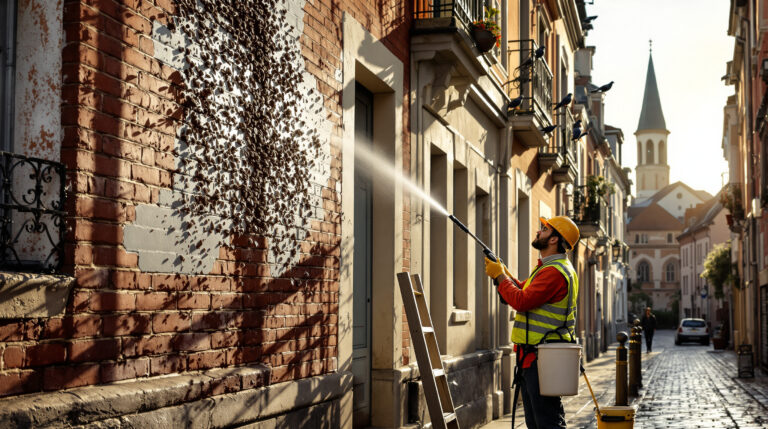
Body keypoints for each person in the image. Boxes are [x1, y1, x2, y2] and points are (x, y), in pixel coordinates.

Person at [484, 216, 580, 429]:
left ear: (555, 239)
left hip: (541, 357)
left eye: (544, 229)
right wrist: (505, 274)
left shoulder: (554, 272)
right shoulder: (549, 268)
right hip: (535, 356)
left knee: (546, 423)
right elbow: (522, 290)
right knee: (537, 422)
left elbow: (521, 301)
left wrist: (501, 278)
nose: (538, 232)